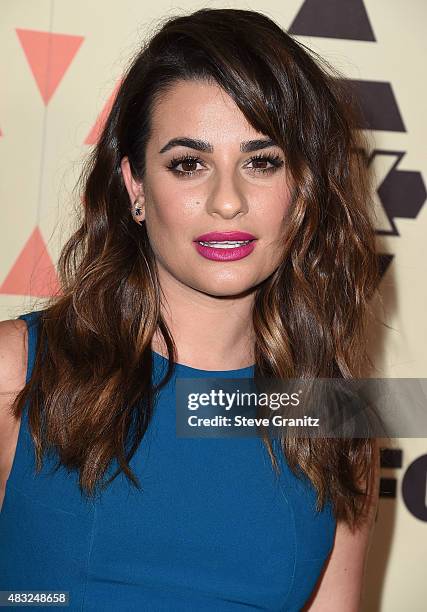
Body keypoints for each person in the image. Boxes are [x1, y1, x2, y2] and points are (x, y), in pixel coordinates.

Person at [0, 7, 380, 611]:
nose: (227, 201)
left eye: (262, 161)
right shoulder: (16, 372)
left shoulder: (334, 412)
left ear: (304, 190)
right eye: (188, 163)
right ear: (135, 187)